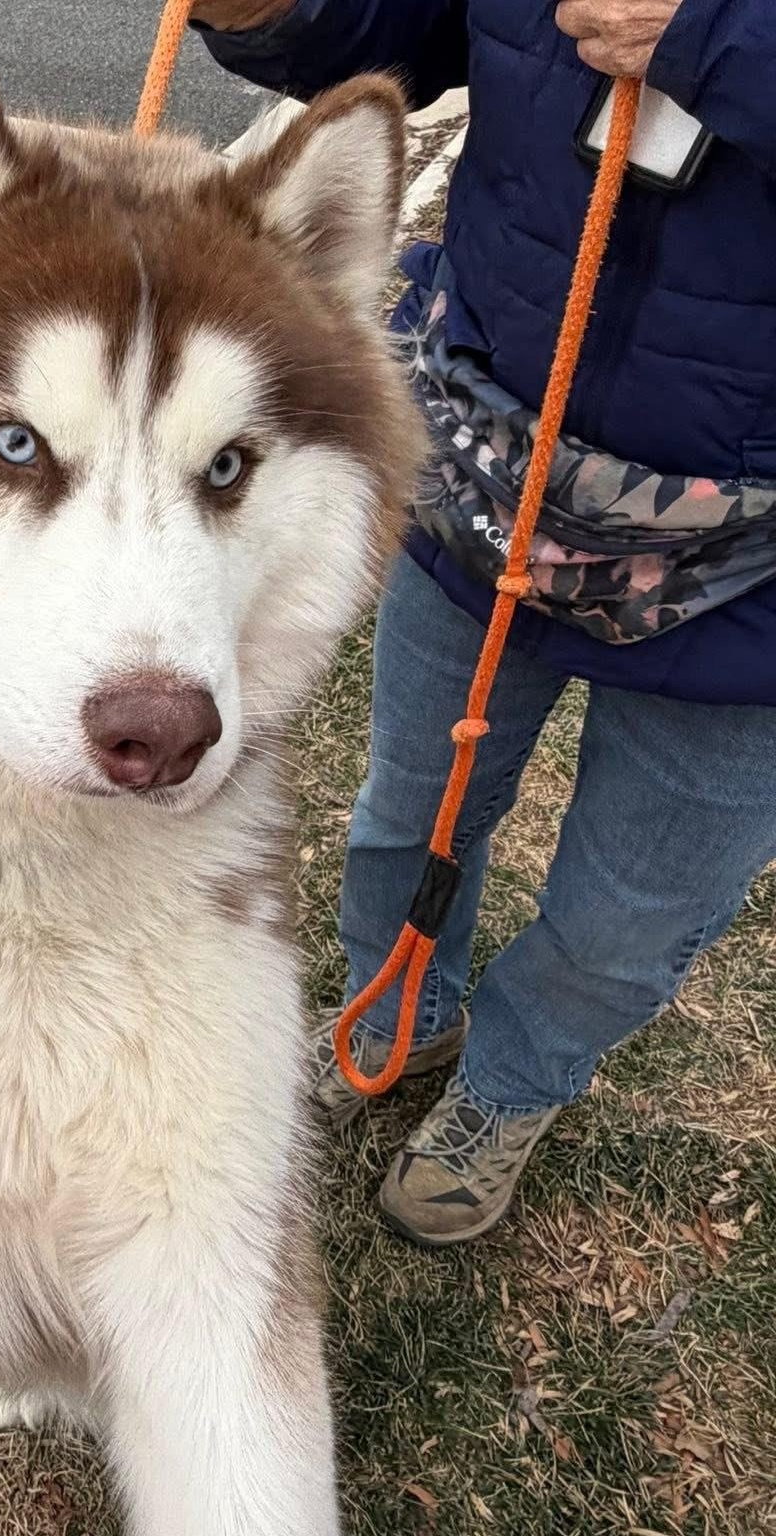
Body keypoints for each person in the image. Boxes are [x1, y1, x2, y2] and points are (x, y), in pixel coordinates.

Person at [191, 0, 776, 1245]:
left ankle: (511, 1087)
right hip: (491, 455)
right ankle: (401, 1006)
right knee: (410, 804)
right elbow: (412, 25)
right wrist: (277, 12)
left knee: (631, 911)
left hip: (760, 567)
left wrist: (718, 40)